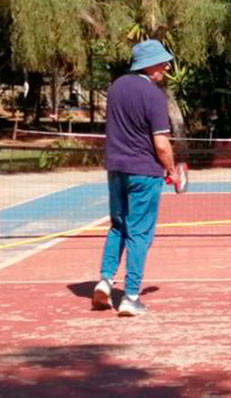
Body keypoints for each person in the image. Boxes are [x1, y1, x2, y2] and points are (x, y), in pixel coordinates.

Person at [92, 40, 177, 317]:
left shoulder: (116, 87)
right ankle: (130, 295)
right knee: (139, 233)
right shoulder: (153, 95)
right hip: (144, 171)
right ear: (148, 63)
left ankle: (105, 280)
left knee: (118, 226)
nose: (166, 66)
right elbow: (161, 143)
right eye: (162, 61)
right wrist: (172, 169)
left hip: (116, 168)